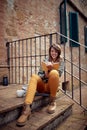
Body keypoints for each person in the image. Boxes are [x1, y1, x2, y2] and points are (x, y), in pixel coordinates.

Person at [16, 43, 64, 126]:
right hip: (42, 85)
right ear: (50, 52)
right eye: (52, 51)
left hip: (51, 87)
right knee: (34, 76)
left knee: (54, 72)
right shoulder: (45, 60)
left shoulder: (61, 61)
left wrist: (51, 69)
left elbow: (58, 75)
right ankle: (26, 109)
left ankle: (52, 101)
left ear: (58, 53)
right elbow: (39, 74)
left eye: (56, 51)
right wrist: (45, 73)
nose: (54, 53)